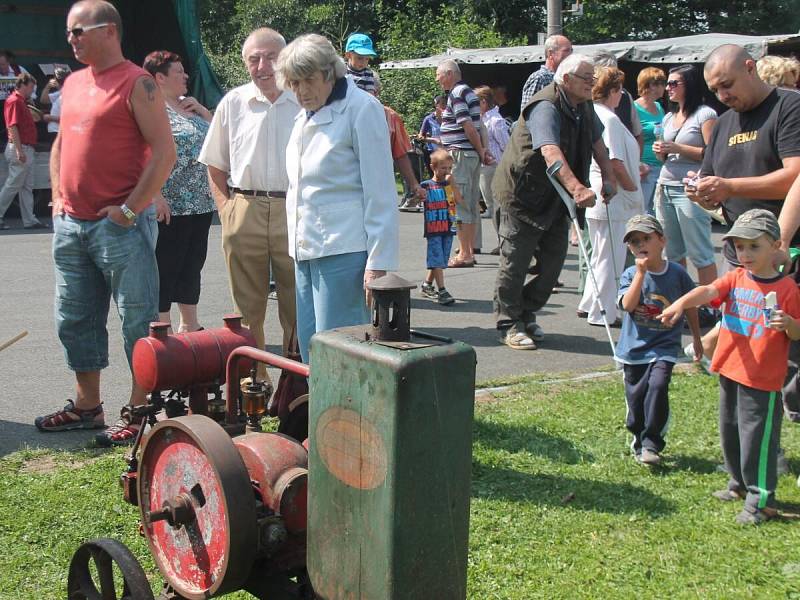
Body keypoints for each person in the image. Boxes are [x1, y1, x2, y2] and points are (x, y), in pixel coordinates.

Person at [34, 0, 176, 445]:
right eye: (69, 32)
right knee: (74, 318)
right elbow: (60, 147)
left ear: (110, 31)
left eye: (79, 31)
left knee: (136, 320)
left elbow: (164, 153)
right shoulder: (74, 83)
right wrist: (58, 197)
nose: (70, 39)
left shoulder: (139, 83)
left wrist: (130, 211)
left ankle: (138, 412)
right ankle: (87, 405)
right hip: (72, 225)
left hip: (122, 226)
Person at [660, 209, 800, 524]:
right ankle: (738, 484)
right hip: (731, 370)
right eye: (739, 246)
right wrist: (682, 303)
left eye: (754, 246)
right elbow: (709, 291)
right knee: (731, 433)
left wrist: (789, 323)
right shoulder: (736, 278)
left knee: (757, 441)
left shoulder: (788, 290)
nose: (745, 253)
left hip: (762, 381)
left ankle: (761, 501)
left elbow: (797, 331)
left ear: (776, 245)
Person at [275, 33, 399, 363]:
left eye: (309, 81)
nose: (301, 92)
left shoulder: (362, 109)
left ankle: (347, 415)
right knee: (311, 346)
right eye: (294, 83)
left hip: (345, 250)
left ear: (331, 73)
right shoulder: (304, 116)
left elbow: (381, 191)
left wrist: (378, 265)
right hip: (305, 251)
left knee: (342, 352)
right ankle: (321, 413)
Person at [492, 54, 617, 350]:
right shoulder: (545, 106)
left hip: (554, 198)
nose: (592, 83)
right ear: (566, 80)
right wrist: (576, 189)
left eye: (593, 78)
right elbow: (550, 151)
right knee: (515, 263)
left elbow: (597, 142)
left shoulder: (583, 106)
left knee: (552, 264)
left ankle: (526, 313)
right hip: (522, 196)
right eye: (587, 78)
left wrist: (608, 178)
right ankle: (509, 323)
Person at [198, 28, 298, 375]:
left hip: (295, 209)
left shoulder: (304, 99)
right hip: (244, 207)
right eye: (254, 58)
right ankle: (254, 383)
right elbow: (214, 163)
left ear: (285, 59)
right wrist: (226, 209)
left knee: (297, 301)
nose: (262, 65)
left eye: (270, 56)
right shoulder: (233, 102)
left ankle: (295, 383)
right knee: (246, 306)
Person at [617, 215, 701, 466]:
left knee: (658, 385)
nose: (640, 245)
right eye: (634, 242)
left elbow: (691, 306)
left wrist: (697, 338)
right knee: (636, 398)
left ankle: (652, 442)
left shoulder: (677, 273)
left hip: (664, 346)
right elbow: (628, 306)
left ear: (662, 241)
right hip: (633, 349)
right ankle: (638, 436)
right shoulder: (630, 274)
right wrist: (640, 276)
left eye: (646, 238)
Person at [143, 50, 214, 333]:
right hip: (170, 203)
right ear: (159, 78)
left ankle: (190, 323)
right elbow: (144, 154)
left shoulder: (190, 107)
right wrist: (154, 195)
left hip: (200, 201)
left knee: (193, 263)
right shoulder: (151, 110)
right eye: (178, 72)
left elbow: (217, 144)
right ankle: (163, 326)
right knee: (167, 265)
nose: (185, 76)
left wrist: (205, 114)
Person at [577, 67, 644, 327]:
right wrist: (632, 189)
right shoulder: (610, 119)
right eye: (620, 90)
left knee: (600, 254)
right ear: (613, 91)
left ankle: (590, 302)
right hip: (613, 198)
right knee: (610, 257)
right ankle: (603, 311)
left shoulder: (594, 114)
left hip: (600, 195)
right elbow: (614, 161)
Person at [653, 65, 718, 291]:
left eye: (673, 83)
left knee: (700, 251)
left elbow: (712, 153)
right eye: (667, 83)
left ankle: (710, 304)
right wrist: (661, 151)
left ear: (688, 85)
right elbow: (666, 156)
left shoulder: (705, 114)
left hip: (690, 189)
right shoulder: (669, 116)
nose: (668, 88)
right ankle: (680, 299)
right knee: (672, 251)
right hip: (665, 186)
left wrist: (677, 147)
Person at [435, 59, 490, 268]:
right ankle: (468, 251)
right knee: (470, 203)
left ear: (449, 73)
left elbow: (467, 126)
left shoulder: (457, 93)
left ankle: (465, 254)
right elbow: (479, 126)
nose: (437, 79)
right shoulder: (466, 93)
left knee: (459, 203)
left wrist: (480, 150)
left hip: (460, 156)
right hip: (468, 155)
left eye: (438, 74)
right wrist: (483, 151)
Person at [365, 70, 424, 210]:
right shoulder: (341, 114)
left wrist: (414, 185)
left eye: (369, 90)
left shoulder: (391, 117)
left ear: (377, 91)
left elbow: (400, 154)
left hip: (379, 185)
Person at [0, 72, 45, 230]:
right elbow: (12, 126)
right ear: (24, 85)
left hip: (25, 147)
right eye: (31, 87)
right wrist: (20, 151)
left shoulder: (20, 101)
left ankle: (29, 220)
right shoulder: (15, 101)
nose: (32, 91)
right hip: (21, 147)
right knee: (13, 184)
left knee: (25, 186)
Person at [420, 149, 462, 306]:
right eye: (444, 168)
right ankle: (442, 290)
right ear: (433, 167)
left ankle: (426, 285)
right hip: (434, 228)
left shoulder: (449, 185)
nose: (447, 171)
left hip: (449, 227)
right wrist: (418, 195)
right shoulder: (426, 185)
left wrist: (453, 184)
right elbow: (415, 200)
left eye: (450, 168)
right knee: (436, 259)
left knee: (441, 260)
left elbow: (459, 201)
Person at [475, 85, 510, 255]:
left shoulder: (495, 120)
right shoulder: (482, 119)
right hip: (484, 167)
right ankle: (501, 241)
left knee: (498, 207)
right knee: (491, 206)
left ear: (483, 102)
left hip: (494, 167)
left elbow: (506, 145)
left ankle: (504, 242)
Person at [634, 67, 666, 215]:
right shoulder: (634, 107)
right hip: (645, 168)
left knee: (658, 212)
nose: (665, 87)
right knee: (643, 211)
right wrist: (638, 164)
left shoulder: (659, 106)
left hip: (661, 165)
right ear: (652, 85)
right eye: (662, 83)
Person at [519, 35, 573, 110]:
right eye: (566, 50)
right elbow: (528, 113)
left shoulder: (566, 79)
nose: (571, 55)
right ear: (550, 54)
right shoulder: (540, 78)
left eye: (571, 50)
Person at [418, 95, 445, 177]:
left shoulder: (449, 117)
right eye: (443, 103)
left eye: (446, 104)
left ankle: (448, 190)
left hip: (447, 152)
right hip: (433, 153)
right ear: (436, 105)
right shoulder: (429, 119)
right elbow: (420, 136)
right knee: (436, 177)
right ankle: (436, 190)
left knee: (447, 177)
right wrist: (434, 140)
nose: (445, 106)